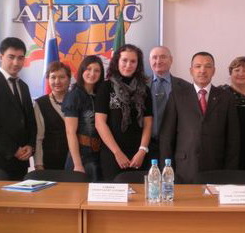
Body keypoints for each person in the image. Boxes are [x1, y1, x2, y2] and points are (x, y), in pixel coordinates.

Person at [160, 51, 240, 184]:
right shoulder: (177, 96)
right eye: (198, 66)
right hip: (184, 167)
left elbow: (233, 138)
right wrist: (167, 170)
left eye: (208, 66)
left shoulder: (226, 97)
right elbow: (167, 136)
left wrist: (230, 172)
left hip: (216, 167)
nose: (202, 70)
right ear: (191, 70)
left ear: (214, 71)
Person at [0, 37, 37, 180]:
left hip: (21, 161)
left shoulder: (23, 86)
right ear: (0, 57)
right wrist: (13, 150)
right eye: (11, 57)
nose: (16, 62)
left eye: (20, 58)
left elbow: (30, 121)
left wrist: (30, 145)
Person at [95, 44, 153, 181]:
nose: (128, 65)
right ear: (117, 62)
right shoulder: (105, 87)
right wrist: (117, 153)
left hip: (139, 155)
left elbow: (148, 123)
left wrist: (142, 150)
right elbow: (100, 123)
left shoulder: (144, 90)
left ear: (138, 65)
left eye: (133, 61)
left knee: (140, 193)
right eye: (124, 60)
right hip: (112, 154)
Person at [63, 55, 105, 181]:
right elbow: (70, 132)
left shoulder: (100, 95)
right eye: (88, 69)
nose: (92, 74)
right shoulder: (74, 95)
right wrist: (77, 164)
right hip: (81, 156)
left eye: (97, 70)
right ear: (82, 70)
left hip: (99, 155)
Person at [147, 46, 189, 158]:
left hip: (176, 147)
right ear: (149, 61)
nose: (158, 61)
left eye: (163, 57)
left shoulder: (186, 87)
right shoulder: (140, 85)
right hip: (146, 146)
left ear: (171, 60)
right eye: (154, 57)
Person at [33, 61, 71, 170]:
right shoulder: (40, 103)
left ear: (69, 79)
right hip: (50, 161)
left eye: (62, 77)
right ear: (48, 80)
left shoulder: (77, 100)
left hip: (74, 160)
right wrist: (38, 164)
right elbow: (38, 138)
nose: (57, 81)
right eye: (53, 77)